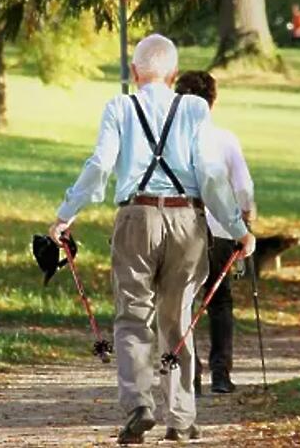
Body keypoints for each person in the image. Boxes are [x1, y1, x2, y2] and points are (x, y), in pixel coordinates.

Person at [49, 34, 256, 444]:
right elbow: (212, 177)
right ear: (174, 74)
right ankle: (180, 417)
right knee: (178, 319)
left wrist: (65, 215)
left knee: (131, 316)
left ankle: (139, 405)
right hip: (186, 221)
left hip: (136, 217)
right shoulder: (195, 109)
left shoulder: (119, 107)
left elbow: (100, 165)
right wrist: (238, 229)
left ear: (134, 72)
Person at [174, 71, 256, 396]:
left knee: (184, 300)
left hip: (181, 227)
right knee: (220, 301)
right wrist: (246, 220)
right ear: (212, 102)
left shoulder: (170, 141)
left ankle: (189, 376)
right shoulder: (224, 139)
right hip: (221, 228)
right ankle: (221, 374)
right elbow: (243, 187)